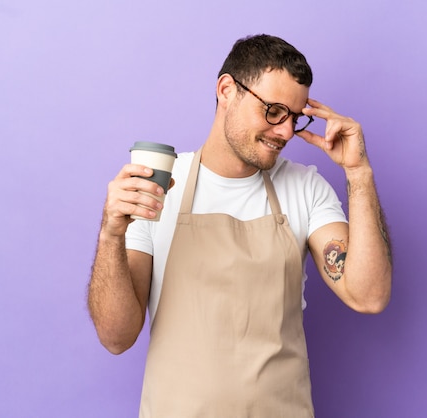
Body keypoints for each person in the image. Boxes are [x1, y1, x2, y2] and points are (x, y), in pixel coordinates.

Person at [87, 34, 392, 417]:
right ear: (227, 90)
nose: (285, 132)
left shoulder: (305, 187)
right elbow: (117, 337)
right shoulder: (159, 187)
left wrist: (358, 173)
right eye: (274, 110)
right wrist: (111, 233)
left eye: (295, 118)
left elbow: (369, 295)